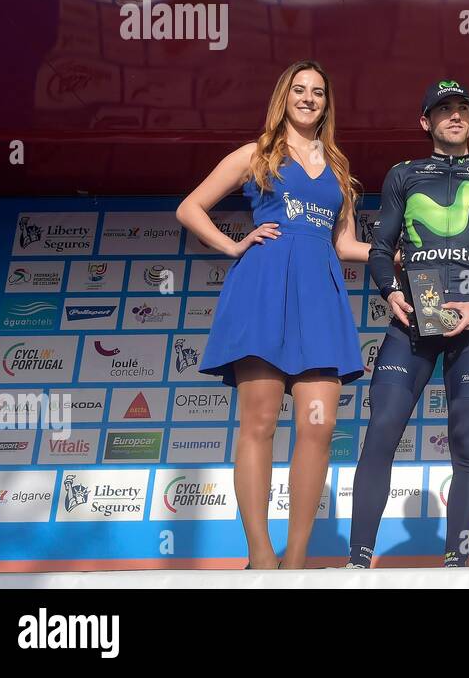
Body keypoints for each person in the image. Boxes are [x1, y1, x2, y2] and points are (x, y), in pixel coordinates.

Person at [176, 60, 370, 570]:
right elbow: (190, 207)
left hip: (319, 298)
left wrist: (400, 256)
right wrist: (234, 246)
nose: (309, 99)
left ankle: (298, 559)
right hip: (263, 290)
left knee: (318, 423)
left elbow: (345, 244)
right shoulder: (255, 154)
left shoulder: (339, 166)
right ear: (284, 96)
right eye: (300, 90)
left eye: (319, 93)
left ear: (328, 104)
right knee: (259, 421)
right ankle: (261, 557)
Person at [347, 80, 469, 569]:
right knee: (381, 428)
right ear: (425, 121)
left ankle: (457, 561)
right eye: (443, 109)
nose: (454, 116)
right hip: (411, 322)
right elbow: (381, 248)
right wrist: (391, 293)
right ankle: (358, 561)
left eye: (463, 108)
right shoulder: (404, 174)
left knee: (468, 439)